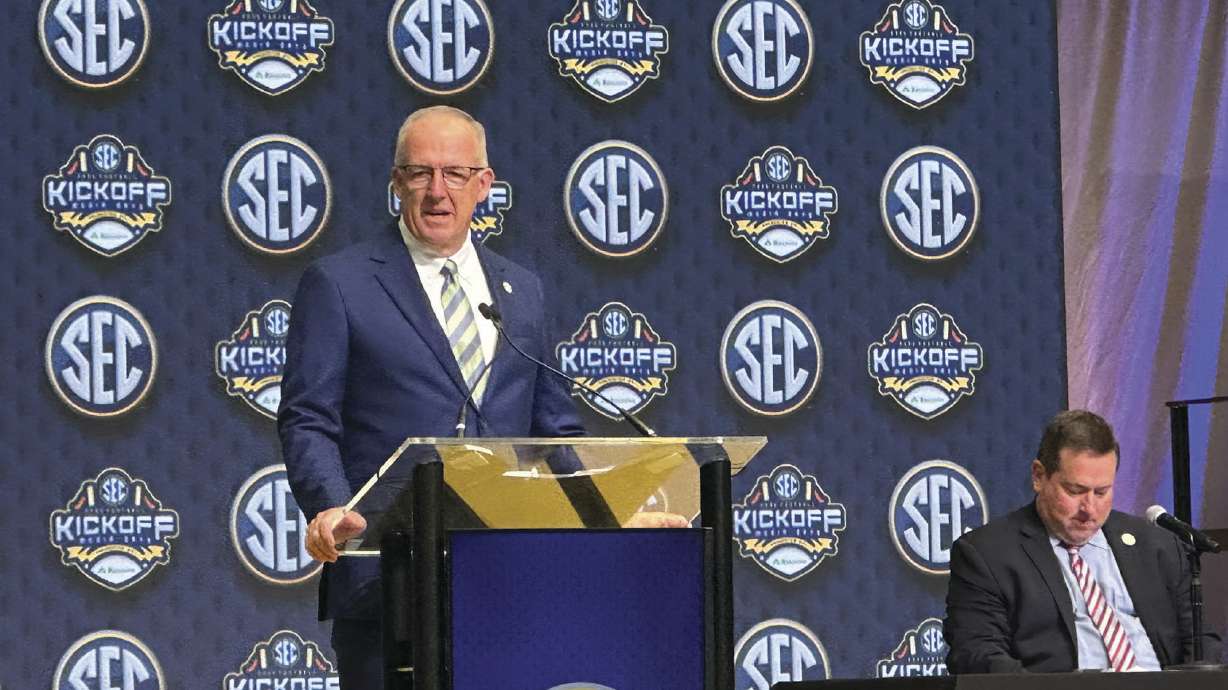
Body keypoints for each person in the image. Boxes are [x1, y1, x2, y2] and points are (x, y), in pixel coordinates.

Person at [277, 105, 590, 689]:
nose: (437, 191)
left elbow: (553, 431)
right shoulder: (340, 283)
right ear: (397, 183)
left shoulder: (522, 291)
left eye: (455, 174)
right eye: (420, 173)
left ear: (484, 184)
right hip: (386, 579)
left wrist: (612, 513)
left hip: (506, 580)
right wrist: (333, 509)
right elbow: (308, 418)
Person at [944, 409, 1221, 673]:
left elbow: (1201, 644)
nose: (1089, 508)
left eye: (1101, 492)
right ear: (1039, 476)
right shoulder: (988, 554)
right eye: (1075, 491)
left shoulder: (1158, 546)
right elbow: (977, 655)